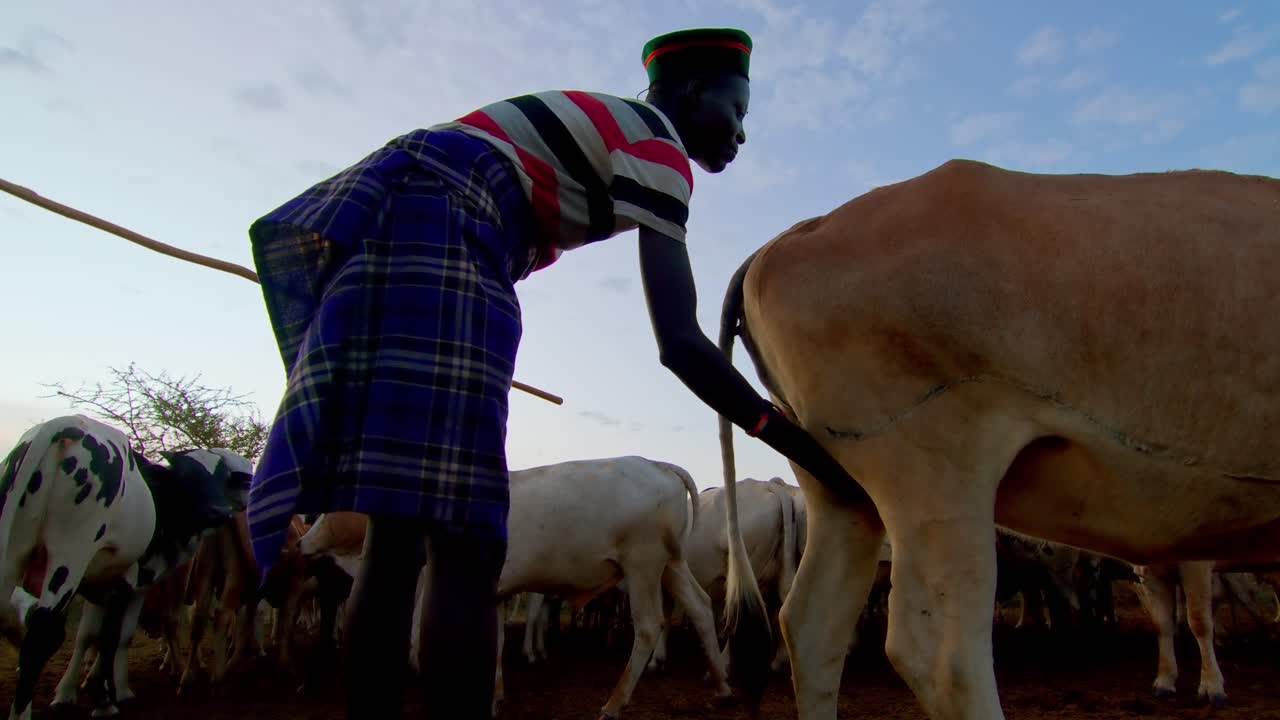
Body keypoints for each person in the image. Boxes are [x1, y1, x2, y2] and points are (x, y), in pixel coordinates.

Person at [245, 27, 860, 718]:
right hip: (444, 230)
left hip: (395, 220)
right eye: (737, 110)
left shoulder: (603, 131)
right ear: (692, 93)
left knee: (396, 537)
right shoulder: (656, 146)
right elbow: (682, 342)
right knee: (467, 541)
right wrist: (808, 449)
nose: (741, 133)